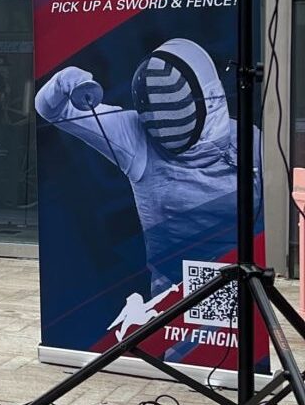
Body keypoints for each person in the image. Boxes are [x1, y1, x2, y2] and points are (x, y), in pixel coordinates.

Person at [35, 37, 259, 294]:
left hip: (240, 283)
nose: (162, 116)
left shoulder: (250, 139)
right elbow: (52, 110)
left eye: (172, 99)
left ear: (208, 96)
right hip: (173, 295)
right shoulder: (136, 137)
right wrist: (67, 81)